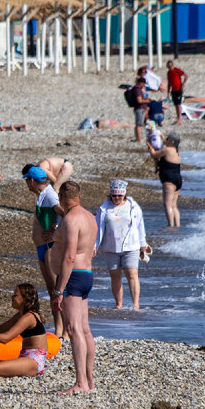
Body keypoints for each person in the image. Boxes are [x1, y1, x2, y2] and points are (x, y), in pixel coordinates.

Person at [50, 181, 98, 394]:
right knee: (85, 329)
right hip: (87, 275)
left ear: (61, 196)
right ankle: (89, 381)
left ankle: (80, 384)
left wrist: (59, 290)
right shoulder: (90, 217)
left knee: (74, 329)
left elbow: (69, 257)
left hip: (73, 277)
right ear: (78, 196)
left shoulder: (70, 219)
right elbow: (90, 249)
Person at [94, 180, 150, 310]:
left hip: (131, 246)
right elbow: (98, 228)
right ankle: (118, 304)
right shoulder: (104, 208)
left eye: (120, 195)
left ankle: (135, 304)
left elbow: (140, 226)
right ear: (110, 195)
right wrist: (95, 245)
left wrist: (143, 244)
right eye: (114, 195)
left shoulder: (133, 206)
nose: (117, 198)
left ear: (124, 194)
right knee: (115, 275)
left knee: (132, 273)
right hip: (110, 247)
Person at [23, 164, 63, 335]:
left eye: (27, 181)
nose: (26, 184)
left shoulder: (50, 194)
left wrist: (56, 229)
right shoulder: (42, 194)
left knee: (56, 289)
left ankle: (63, 330)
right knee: (50, 288)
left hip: (49, 247)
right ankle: (58, 328)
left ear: (31, 181)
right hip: (42, 246)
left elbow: (64, 212)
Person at [145, 132, 183, 227]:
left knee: (167, 205)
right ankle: (177, 225)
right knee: (174, 205)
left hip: (169, 180)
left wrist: (149, 146)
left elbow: (154, 155)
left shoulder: (167, 150)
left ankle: (170, 225)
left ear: (172, 141)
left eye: (167, 139)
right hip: (178, 180)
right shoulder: (176, 151)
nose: (165, 139)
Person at [166, 60, 188, 124]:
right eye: (169, 66)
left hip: (178, 89)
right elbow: (169, 83)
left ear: (173, 65)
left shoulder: (177, 70)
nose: (170, 67)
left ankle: (179, 119)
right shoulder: (168, 73)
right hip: (173, 90)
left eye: (171, 66)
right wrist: (168, 92)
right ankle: (178, 118)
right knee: (176, 104)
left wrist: (183, 84)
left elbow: (186, 75)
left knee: (178, 104)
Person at [131, 76, 149, 142]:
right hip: (139, 108)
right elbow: (139, 100)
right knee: (139, 125)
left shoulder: (136, 89)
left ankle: (137, 139)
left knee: (138, 124)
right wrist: (147, 101)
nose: (144, 85)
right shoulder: (137, 90)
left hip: (139, 108)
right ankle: (139, 139)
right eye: (143, 84)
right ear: (141, 83)